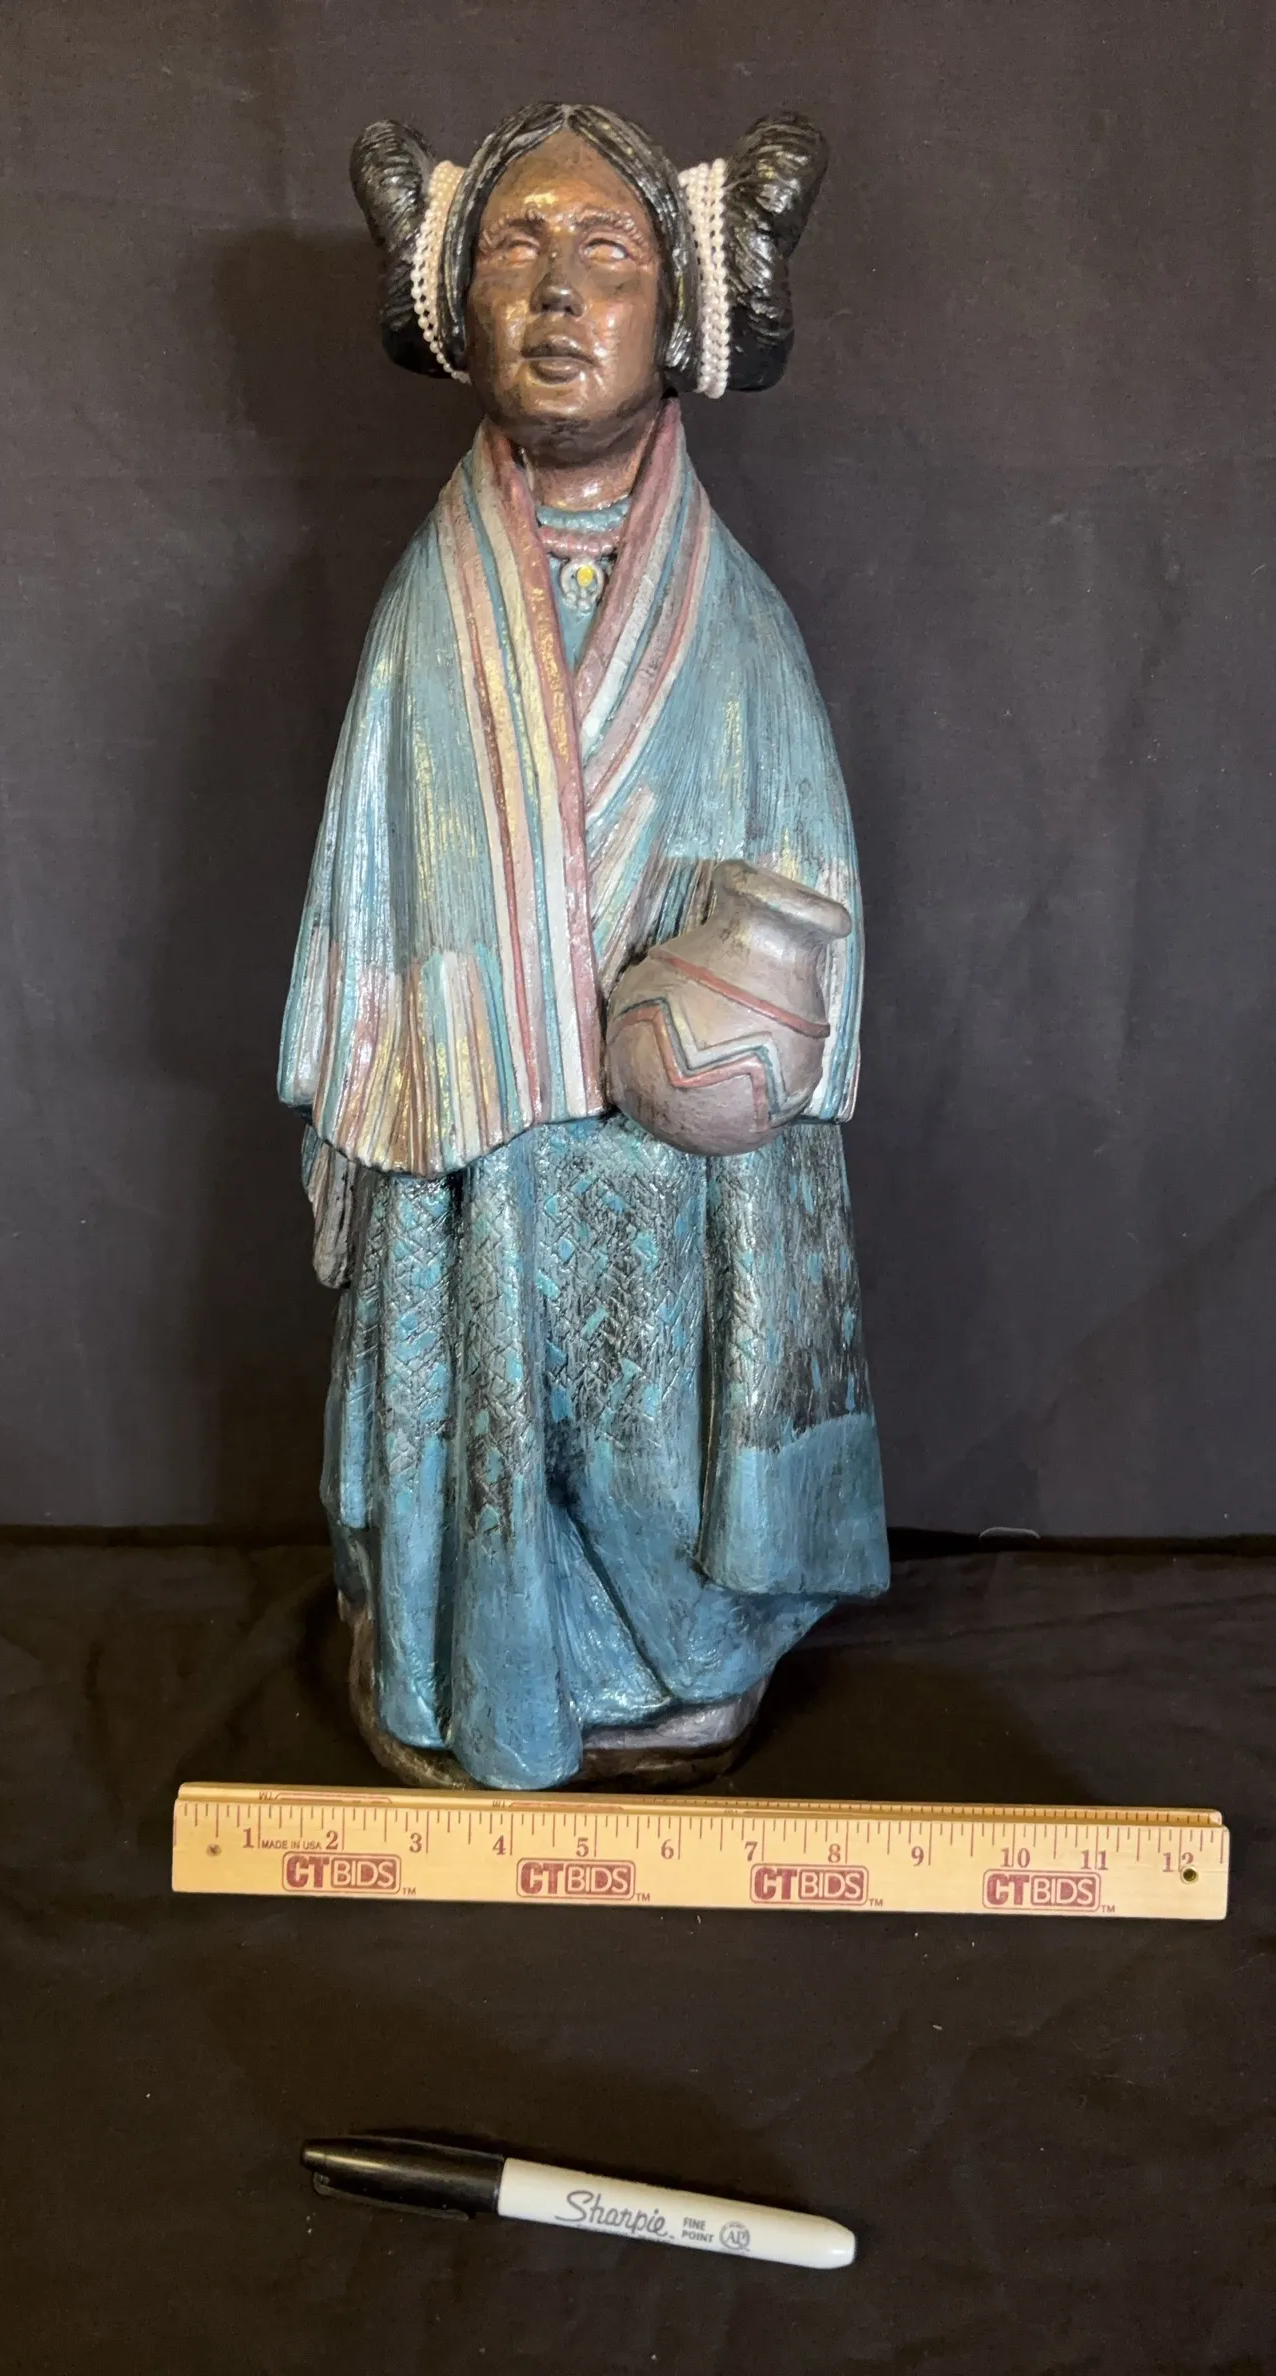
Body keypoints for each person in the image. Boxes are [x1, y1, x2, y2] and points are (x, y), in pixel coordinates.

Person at [279, 102, 889, 1789]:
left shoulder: (741, 628)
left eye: (604, 252)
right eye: (515, 251)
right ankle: (471, 1648)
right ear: (457, 310)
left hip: (672, 1164)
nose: (558, 294)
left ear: (675, 313)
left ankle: (683, 1654)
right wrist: (407, 1079)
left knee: (654, 1397)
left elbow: (808, 903)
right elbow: (370, 899)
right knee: (465, 1325)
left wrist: (748, 1026)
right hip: (473, 1139)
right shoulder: (424, 619)